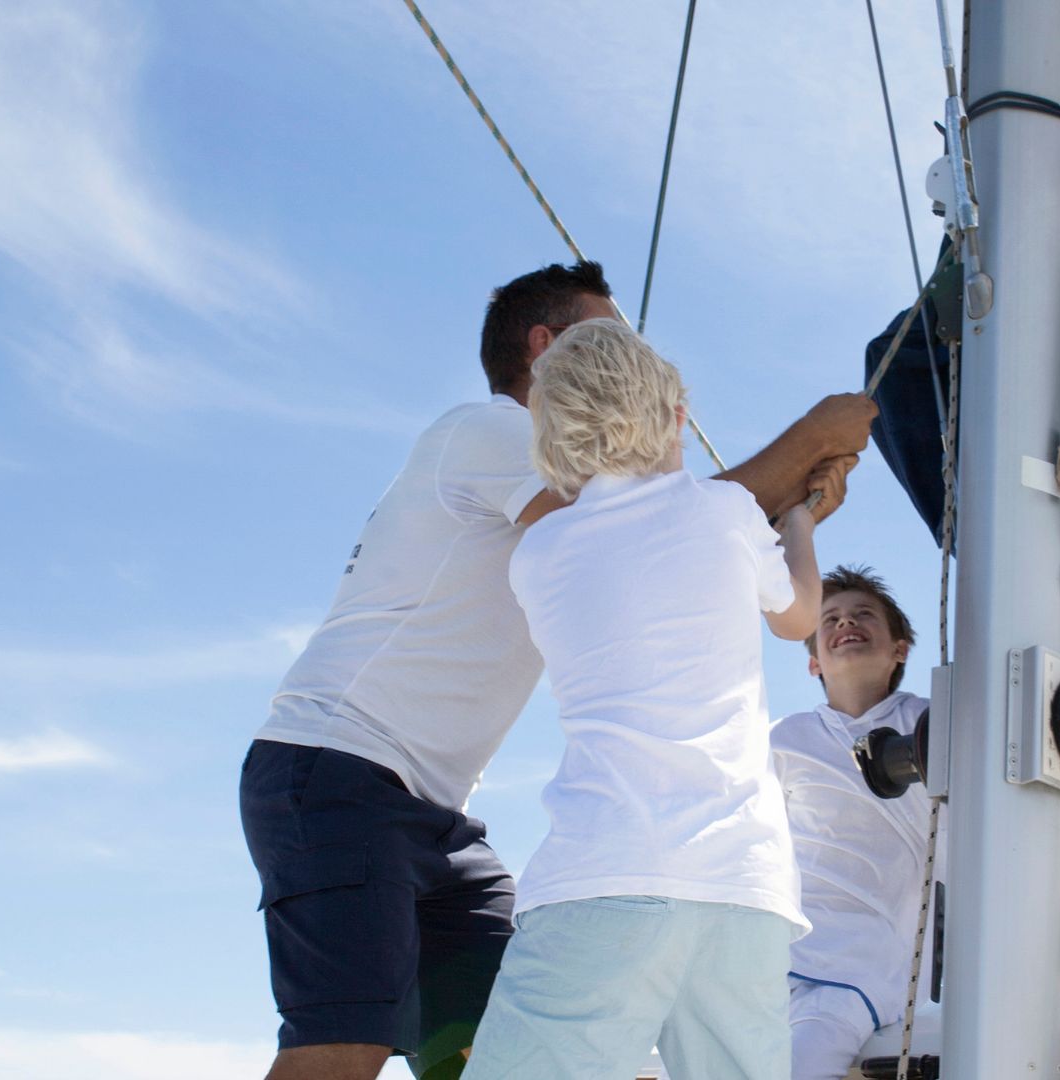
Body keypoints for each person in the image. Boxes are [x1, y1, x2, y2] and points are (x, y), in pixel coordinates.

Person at [239, 261, 874, 1080]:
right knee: (342, 1043)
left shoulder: (558, 538)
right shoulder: (488, 429)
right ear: (547, 351)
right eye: (611, 336)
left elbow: (645, 532)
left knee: (485, 1042)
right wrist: (813, 447)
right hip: (336, 767)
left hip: (435, 812)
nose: (628, 353)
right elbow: (651, 533)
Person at [462, 318, 822, 1080]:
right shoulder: (728, 514)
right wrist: (796, 523)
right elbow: (798, 619)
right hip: (744, 890)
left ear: (550, 437)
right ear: (678, 417)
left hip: (605, 873)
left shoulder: (539, 555)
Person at [772, 566, 930, 1080]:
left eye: (865, 615)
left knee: (805, 1064)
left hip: (867, 962)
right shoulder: (784, 739)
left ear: (899, 650)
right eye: (831, 619)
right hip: (779, 951)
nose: (847, 623)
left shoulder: (936, 722)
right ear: (814, 662)